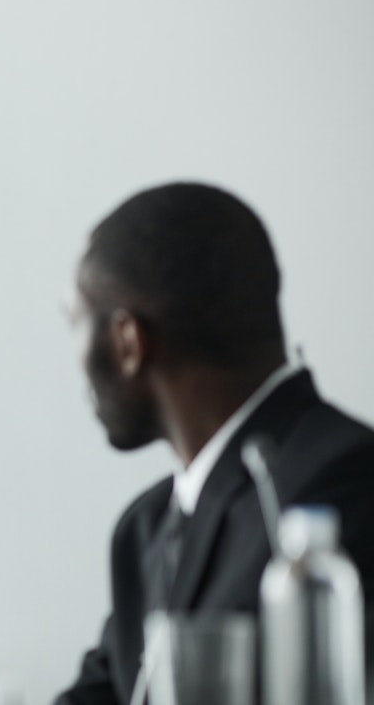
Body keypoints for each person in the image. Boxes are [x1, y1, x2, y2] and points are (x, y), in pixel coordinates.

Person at [56, 182, 374, 704]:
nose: (75, 357)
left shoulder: (348, 482)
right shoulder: (144, 529)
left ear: (128, 342)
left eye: (75, 324)